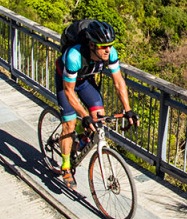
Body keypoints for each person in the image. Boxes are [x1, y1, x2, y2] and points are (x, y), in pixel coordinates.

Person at [55, 19, 139, 188]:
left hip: (85, 80)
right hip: (66, 84)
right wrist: (84, 116)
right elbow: (69, 91)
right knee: (70, 123)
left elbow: (118, 82)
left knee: (98, 117)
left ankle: (79, 141)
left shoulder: (111, 53)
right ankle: (65, 166)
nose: (108, 50)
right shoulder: (74, 56)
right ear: (92, 45)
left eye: (110, 45)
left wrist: (128, 109)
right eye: (103, 46)